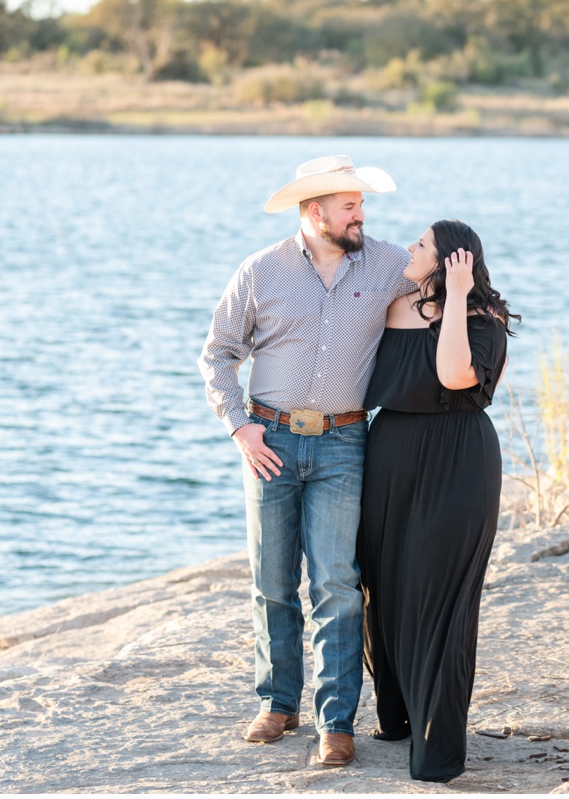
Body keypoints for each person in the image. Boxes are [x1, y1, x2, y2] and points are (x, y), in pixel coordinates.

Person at [197, 154, 416, 768]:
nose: (361, 215)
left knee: (337, 584)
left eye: (362, 204)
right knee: (272, 582)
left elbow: (438, 293)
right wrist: (239, 426)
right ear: (314, 211)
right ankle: (276, 702)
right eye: (350, 206)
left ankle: (336, 720)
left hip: (346, 442)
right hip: (268, 440)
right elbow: (217, 354)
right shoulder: (261, 270)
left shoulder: (390, 262)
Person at [357, 219, 519, 784]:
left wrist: (455, 297)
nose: (410, 248)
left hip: (460, 463)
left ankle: (437, 745)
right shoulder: (394, 305)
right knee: (388, 584)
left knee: (442, 595)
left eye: (422, 244)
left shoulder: (483, 320)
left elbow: (454, 376)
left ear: (453, 260)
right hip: (391, 456)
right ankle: (398, 716)